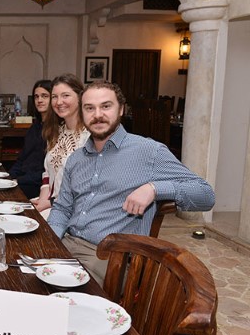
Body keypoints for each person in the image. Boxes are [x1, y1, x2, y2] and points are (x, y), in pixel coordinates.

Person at [48, 81, 215, 285]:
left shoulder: (149, 152)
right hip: (66, 245)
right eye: (89, 108)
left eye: (106, 106)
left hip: (109, 258)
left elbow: (206, 195)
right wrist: (50, 244)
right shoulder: (76, 159)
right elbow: (62, 208)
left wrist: (154, 189)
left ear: (121, 109)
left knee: (52, 293)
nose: (97, 114)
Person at [32, 73, 89, 213]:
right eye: (54, 97)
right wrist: (42, 200)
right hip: (52, 203)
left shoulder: (89, 136)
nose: (58, 102)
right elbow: (47, 173)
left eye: (65, 96)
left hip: (75, 210)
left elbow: (86, 186)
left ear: (80, 97)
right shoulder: (55, 132)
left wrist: (49, 203)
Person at [9, 80, 52, 198]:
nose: (39, 100)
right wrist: (9, 176)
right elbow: (22, 158)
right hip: (23, 179)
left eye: (44, 96)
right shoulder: (35, 126)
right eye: (36, 97)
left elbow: (46, 171)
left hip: (38, 186)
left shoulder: (55, 130)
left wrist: (18, 181)